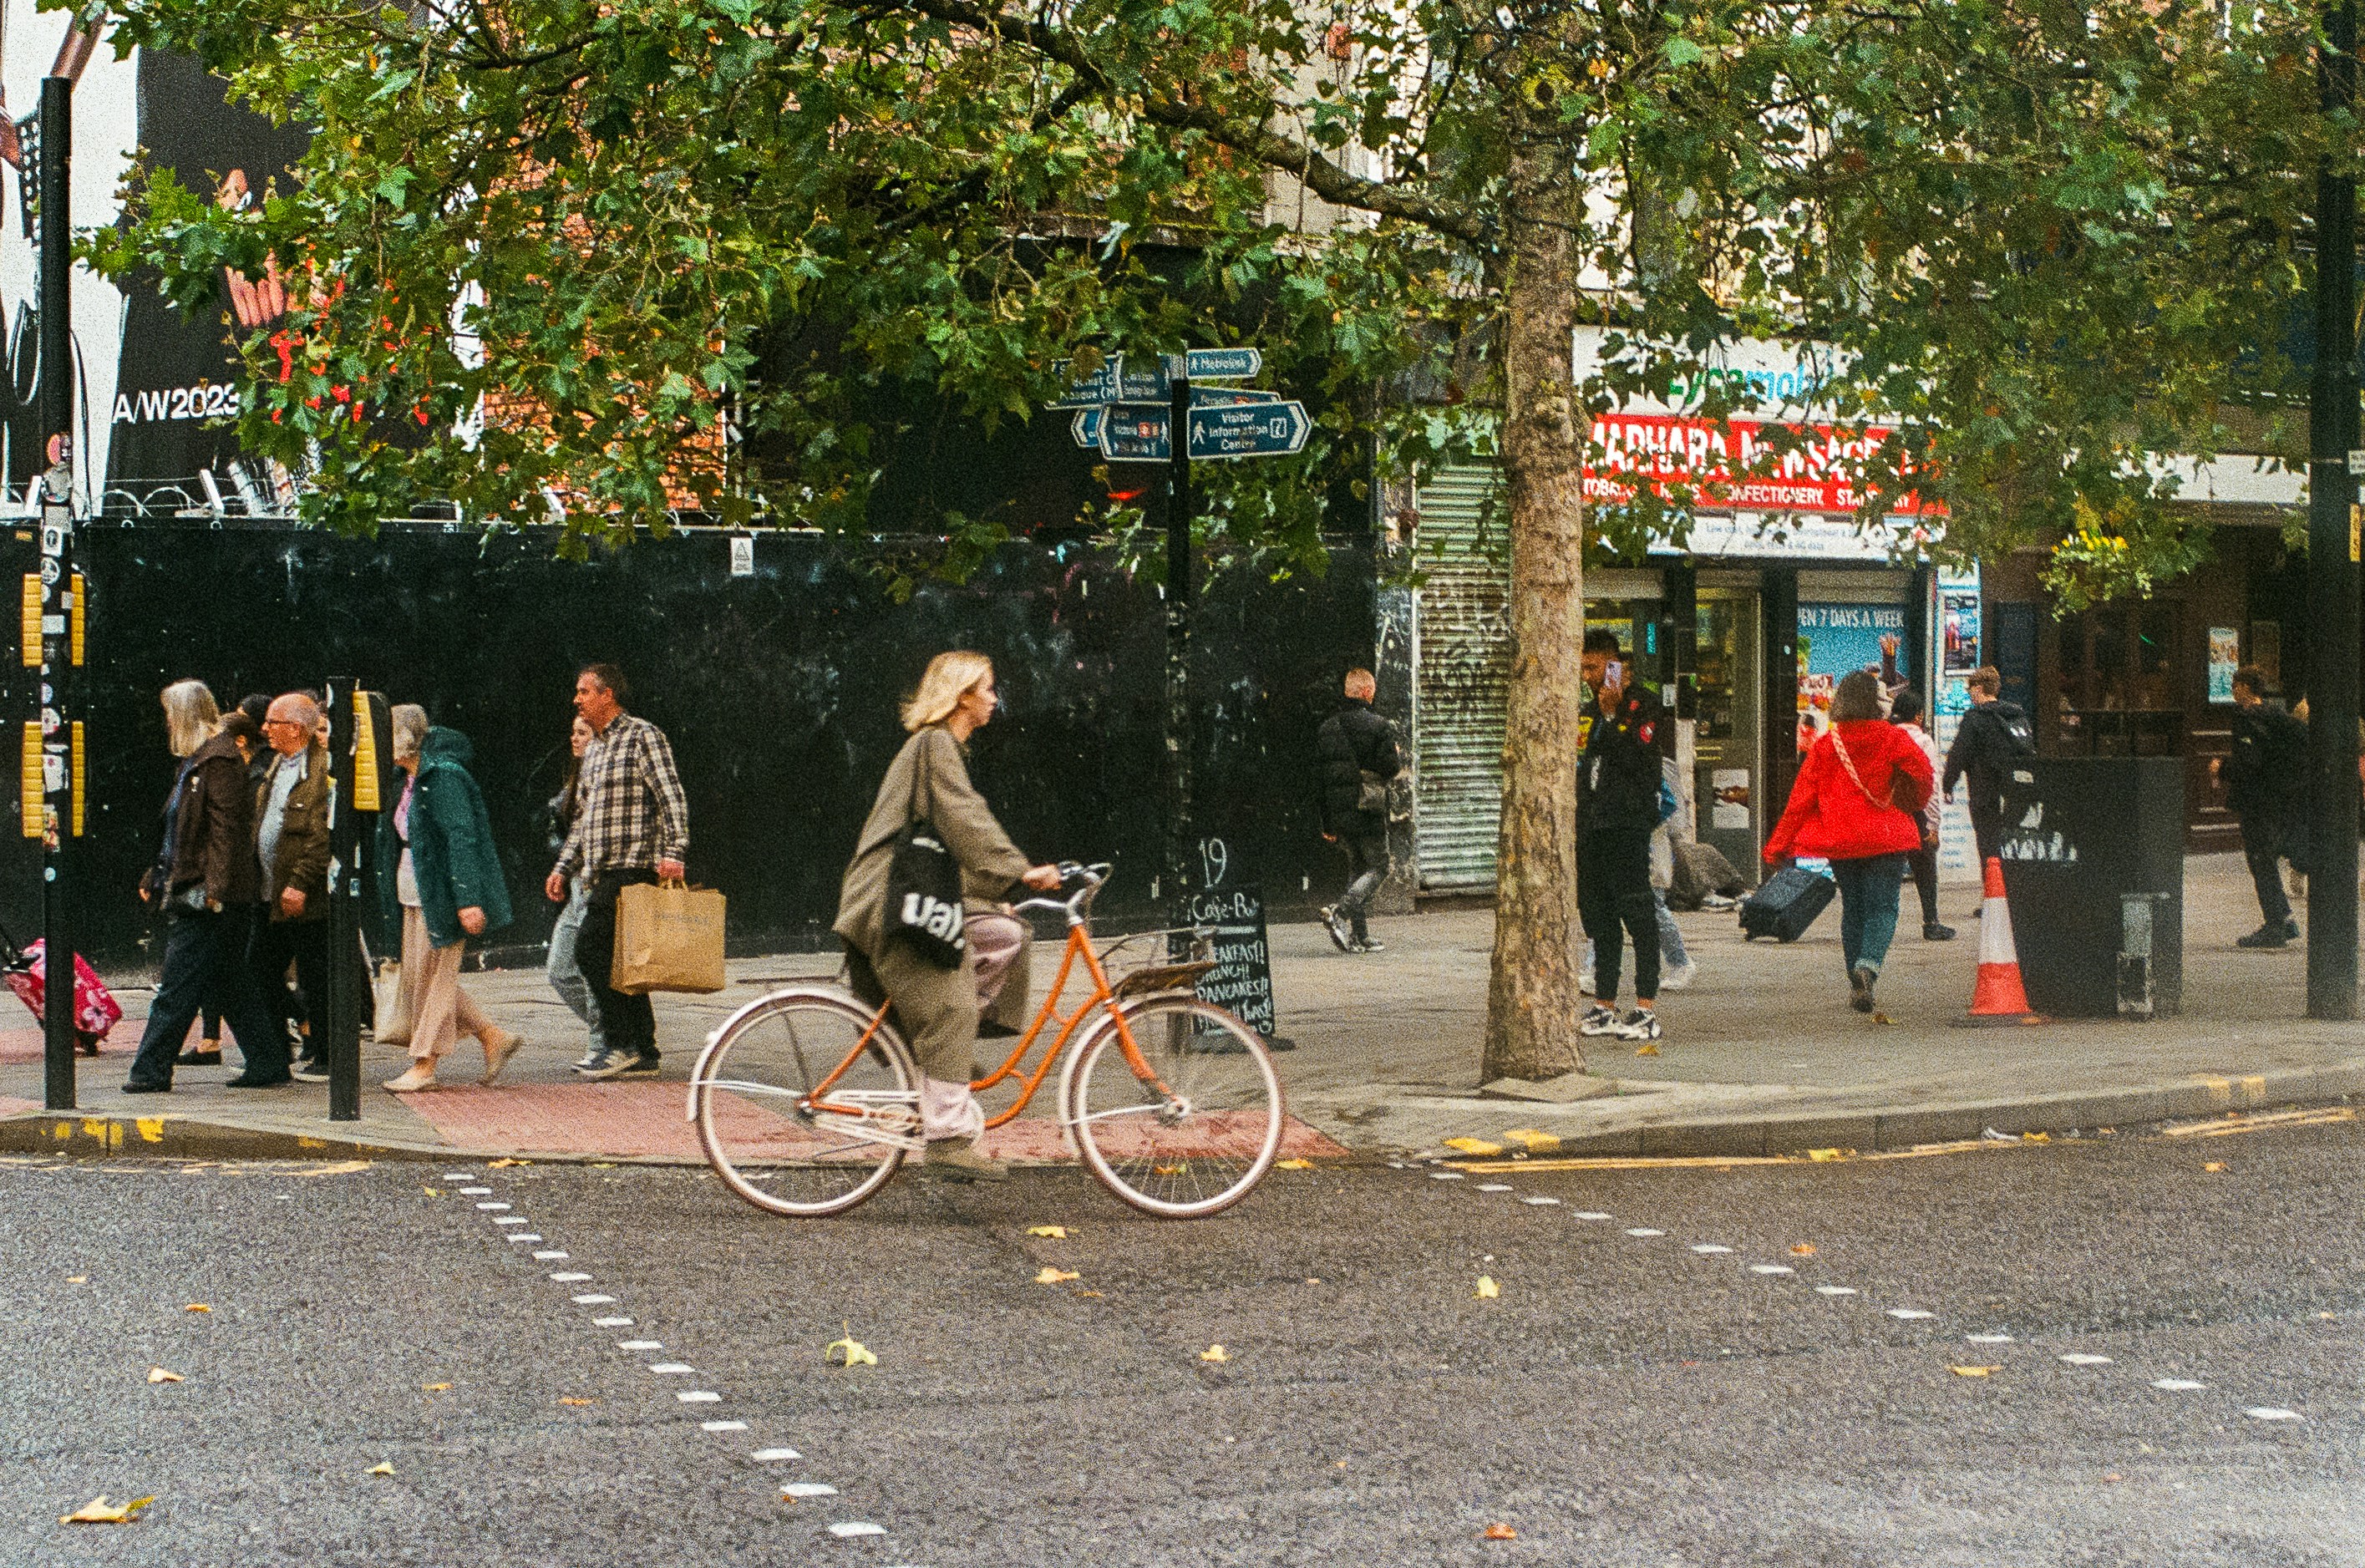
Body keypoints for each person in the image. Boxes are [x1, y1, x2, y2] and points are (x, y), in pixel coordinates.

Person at [834, 652, 1062, 1182]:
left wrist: (992, 894)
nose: (993, 698)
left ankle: (942, 1059)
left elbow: (945, 848)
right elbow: (964, 820)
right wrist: (1019, 871)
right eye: (986, 689)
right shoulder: (934, 743)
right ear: (961, 696)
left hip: (912, 892)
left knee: (1004, 933)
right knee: (951, 998)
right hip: (887, 899)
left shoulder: (940, 749)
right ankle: (947, 1137)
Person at [123, 681, 291, 1092]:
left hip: (209, 896)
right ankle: (269, 1062)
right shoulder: (203, 759)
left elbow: (227, 832)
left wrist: (214, 891)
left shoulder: (217, 761)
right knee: (229, 980)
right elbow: (180, 833)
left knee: (176, 987)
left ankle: (150, 1071)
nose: (166, 724)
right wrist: (157, 876)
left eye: (169, 715)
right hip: (205, 889)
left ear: (183, 716)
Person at [546, 664, 688, 1079]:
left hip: (634, 866)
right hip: (598, 871)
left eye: (584, 691)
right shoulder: (595, 750)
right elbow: (584, 819)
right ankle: (644, 1050)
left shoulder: (643, 736)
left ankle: (620, 1042)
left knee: (590, 950)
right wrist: (563, 866)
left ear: (607, 695)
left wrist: (674, 849)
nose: (577, 699)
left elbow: (670, 796)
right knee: (622, 961)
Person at [1765, 670, 1935, 1015]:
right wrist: (1911, 802)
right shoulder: (1892, 738)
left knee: (1853, 907)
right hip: (1886, 836)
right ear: (1875, 701)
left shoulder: (1828, 744)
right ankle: (1868, 966)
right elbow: (1923, 773)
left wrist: (1778, 845)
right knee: (1883, 907)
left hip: (1841, 840)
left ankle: (1854, 976)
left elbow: (1801, 799)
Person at [378, 707, 521, 1091]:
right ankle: (493, 1036)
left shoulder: (442, 777)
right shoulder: (406, 777)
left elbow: (462, 837)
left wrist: (468, 899)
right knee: (419, 976)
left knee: (435, 979)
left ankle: (425, 1064)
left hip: (440, 893)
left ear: (405, 738)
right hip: (411, 888)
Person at [1576, 629, 1666, 1044]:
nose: (1587, 674)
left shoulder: (1642, 705)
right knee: (1599, 914)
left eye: (1595, 666)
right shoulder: (1587, 708)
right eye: (1584, 666)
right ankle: (1605, 1002)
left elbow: (1636, 762)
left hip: (1627, 822)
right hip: (1592, 823)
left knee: (1637, 910)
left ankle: (1645, 1007)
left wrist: (1613, 718)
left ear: (1616, 666)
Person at [246, 692, 336, 1082]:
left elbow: (322, 834)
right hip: (270, 892)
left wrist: (299, 882)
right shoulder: (278, 765)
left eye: (273, 722)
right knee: (258, 969)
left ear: (296, 728)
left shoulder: (323, 770)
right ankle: (277, 1050)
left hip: (303, 895)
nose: (264, 729)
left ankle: (328, 1054)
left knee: (316, 974)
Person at [2211, 667, 2307, 948]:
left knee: (2260, 859)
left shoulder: (2247, 718)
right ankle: (2283, 920)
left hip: (2258, 802)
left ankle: (2277, 925)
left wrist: (2222, 767)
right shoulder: (2276, 714)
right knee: (2269, 854)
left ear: (2245, 688)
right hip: (2280, 798)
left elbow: (2249, 763)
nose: (2232, 689)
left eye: (2235, 684)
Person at [1315, 667, 1403, 954]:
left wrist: (1327, 824)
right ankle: (1338, 911)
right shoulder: (1379, 726)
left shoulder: (1327, 728)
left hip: (1340, 813)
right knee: (1379, 867)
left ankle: (1359, 936)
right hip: (1367, 808)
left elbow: (1319, 778)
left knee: (1357, 868)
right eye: (1373, 690)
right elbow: (1391, 768)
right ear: (1367, 692)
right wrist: (1396, 753)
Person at [546, 714, 604, 1062]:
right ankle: (612, 1030)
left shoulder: (601, 778)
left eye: (582, 733)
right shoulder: (575, 780)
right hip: (577, 881)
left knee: (590, 964)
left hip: (596, 881)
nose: (574, 738)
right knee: (561, 969)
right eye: (573, 732)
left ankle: (603, 1041)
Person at [1941, 666, 2030, 869]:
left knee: (1989, 847)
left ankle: (1993, 894)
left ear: (1978, 688)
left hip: (1985, 792)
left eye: (1970, 689)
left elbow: (1958, 754)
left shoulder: (1975, 718)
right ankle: (2012, 890)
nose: (1969, 694)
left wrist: (1948, 784)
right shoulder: (2016, 715)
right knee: (2012, 844)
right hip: (2016, 794)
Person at [1888, 689, 1956, 942]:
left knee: (1889, 872)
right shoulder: (1924, 742)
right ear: (1918, 716)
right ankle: (1931, 922)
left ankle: (1883, 921)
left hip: (1889, 812)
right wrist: (1933, 824)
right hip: (1916, 813)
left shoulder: (1887, 737)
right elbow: (1932, 785)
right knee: (1925, 869)